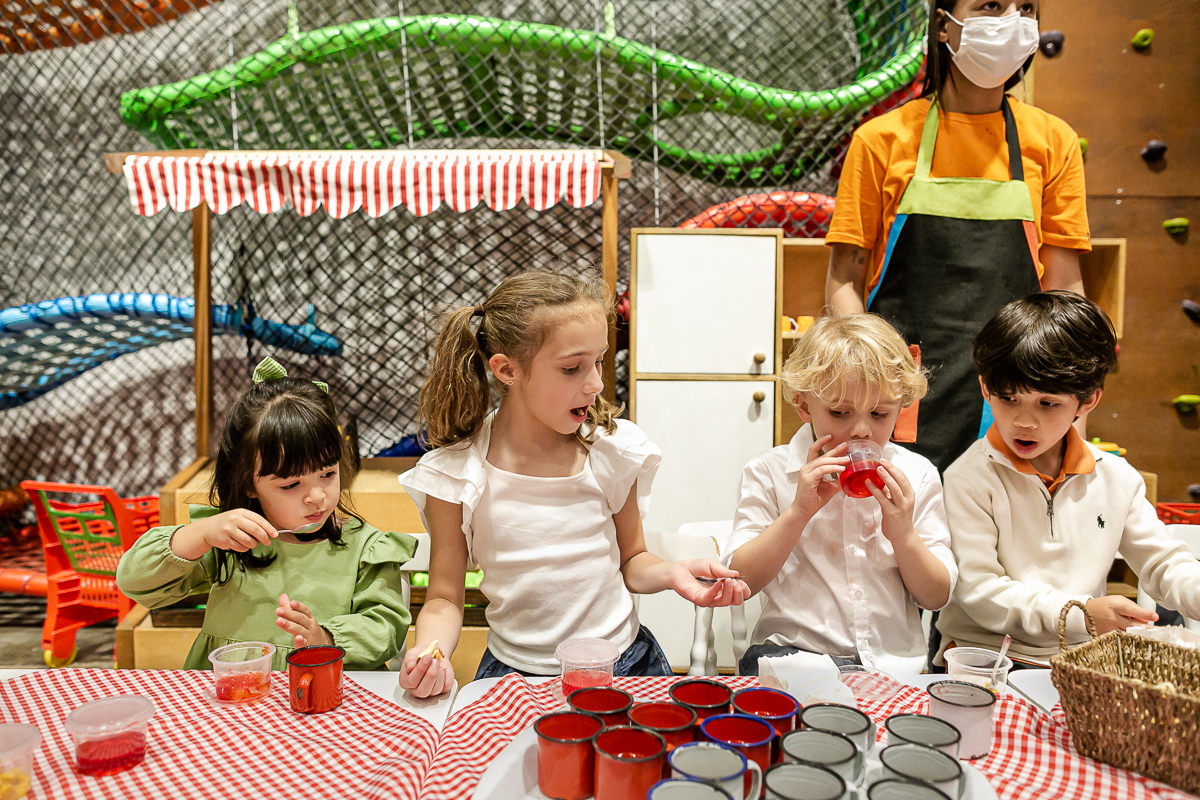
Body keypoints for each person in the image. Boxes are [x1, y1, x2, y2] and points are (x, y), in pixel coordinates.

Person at [398, 270, 750, 697]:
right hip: (515, 677)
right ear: (507, 370)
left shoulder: (610, 452)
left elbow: (633, 558)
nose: (597, 384)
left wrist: (671, 572)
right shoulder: (457, 474)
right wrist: (428, 651)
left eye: (599, 361)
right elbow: (444, 598)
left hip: (626, 666)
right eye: (572, 368)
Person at [825, 0, 1090, 473]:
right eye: (990, 5)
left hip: (1014, 397)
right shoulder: (879, 140)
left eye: (1024, 7)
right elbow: (844, 280)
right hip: (902, 390)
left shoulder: (1053, 141)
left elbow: (1065, 289)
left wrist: (1071, 426)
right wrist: (871, 388)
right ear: (944, 25)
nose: (1009, 19)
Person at [938, 292, 1200, 665]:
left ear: (1088, 400)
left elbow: (1163, 564)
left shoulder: (1116, 479)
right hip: (986, 659)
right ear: (985, 389)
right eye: (1009, 399)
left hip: (1080, 662)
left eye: (1048, 404)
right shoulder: (969, 478)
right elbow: (981, 592)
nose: (1024, 421)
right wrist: (1081, 614)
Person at [117, 357, 416, 671]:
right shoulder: (230, 540)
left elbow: (386, 631)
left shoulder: (364, 548)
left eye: (327, 474)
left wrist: (324, 638)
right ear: (248, 483)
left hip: (323, 699)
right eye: (291, 484)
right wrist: (201, 534)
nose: (317, 496)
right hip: (233, 702)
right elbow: (134, 581)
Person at [724, 313, 957, 676]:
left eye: (880, 414)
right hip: (790, 657)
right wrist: (797, 514)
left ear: (900, 408)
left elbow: (936, 596)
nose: (861, 430)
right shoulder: (769, 473)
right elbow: (740, 580)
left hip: (891, 666)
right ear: (804, 406)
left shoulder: (918, 476)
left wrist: (904, 534)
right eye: (839, 412)